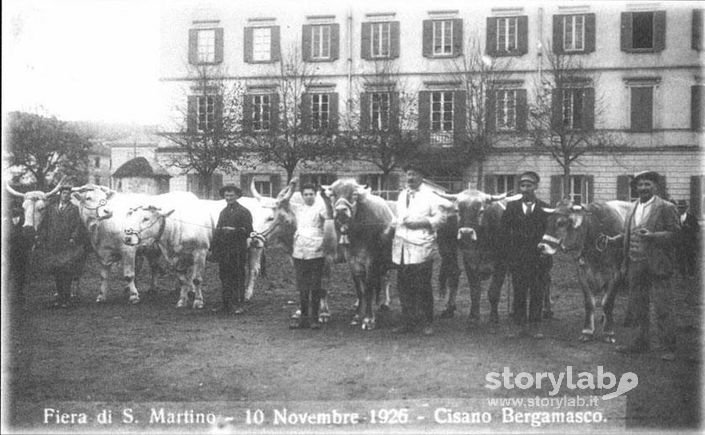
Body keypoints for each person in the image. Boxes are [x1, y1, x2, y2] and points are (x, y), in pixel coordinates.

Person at [609, 171, 679, 360]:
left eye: (647, 184)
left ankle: (668, 347)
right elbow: (629, 233)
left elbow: (676, 235)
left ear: (655, 186)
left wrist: (653, 236)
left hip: (658, 264)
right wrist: (614, 239)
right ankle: (640, 342)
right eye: (640, 185)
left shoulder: (666, 207)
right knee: (638, 305)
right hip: (635, 264)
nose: (643, 188)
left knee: (663, 306)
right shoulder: (632, 208)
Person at [392, 164, 445, 336]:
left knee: (422, 286)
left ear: (422, 177)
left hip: (421, 246)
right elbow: (399, 218)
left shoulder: (431, 196)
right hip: (402, 247)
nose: (410, 178)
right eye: (408, 174)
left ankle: (427, 322)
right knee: (403, 286)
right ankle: (408, 321)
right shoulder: (401, 195)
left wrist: (421, 223)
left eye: (414, 175)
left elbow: (440, 218)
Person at [500, 171, 552, 339]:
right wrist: (508, 255)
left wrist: (546, 251)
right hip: (518, 258)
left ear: (535, 187)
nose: (525, 189)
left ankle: (535, 326)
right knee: (519, 291)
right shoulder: (512, 207)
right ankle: (519, 325)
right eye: (522, 186)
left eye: (529, 186)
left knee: (537, 292)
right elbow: (504, 233)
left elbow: (550, 232)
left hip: (539, 258)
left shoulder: (545, 207)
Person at [289, 181, 333, 330]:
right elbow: (283, 202)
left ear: (315, 195)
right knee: (302, 287)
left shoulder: (320, 208)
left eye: (311, 194)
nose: (308, 197)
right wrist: (291, 188)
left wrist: (326, 199)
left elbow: (329, 217)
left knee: (315, 286)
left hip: (316, 251)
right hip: (300, 251)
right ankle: (304, 318)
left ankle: (314, 318)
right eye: (306, 194)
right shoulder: (298, 209)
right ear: (302, 196)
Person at [37, 185, 84, 308]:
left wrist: (73, 237)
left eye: (68, 193)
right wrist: (43, 237)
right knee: (56, 270)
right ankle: (59, 297)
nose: (66, 195)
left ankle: (66, 299)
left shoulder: (74, 209)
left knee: (66, 271)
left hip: (67, 244)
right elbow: (45, 224)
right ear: (60, 194)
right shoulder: (52, 208)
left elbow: (77, 226)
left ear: (70, 196)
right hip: (53, 244)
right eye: (64, 193)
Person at [212, 184, 253, 315]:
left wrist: (234, 231)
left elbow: (249, 231)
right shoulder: (223, 212)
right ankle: (225, 304)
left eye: (231, 195)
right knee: (224, 276)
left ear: (237, 196)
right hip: (224, 251)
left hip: (238, 250)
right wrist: (213, 248)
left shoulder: (244, 212)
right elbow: (217, 230)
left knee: (238, 276)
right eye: (226, 196)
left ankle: (239, 304)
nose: (228, 198)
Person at [675, 200, 700, 277]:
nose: (681, 210)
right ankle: (682, 273)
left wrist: (689, 228)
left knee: (690, 257)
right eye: (679, 208)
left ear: (686, 208)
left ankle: (691, 274)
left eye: (683, 208)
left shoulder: (691, 218)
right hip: (679, 242)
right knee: (680, 257)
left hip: (690, 241)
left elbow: (697, 228)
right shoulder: (675, 218)